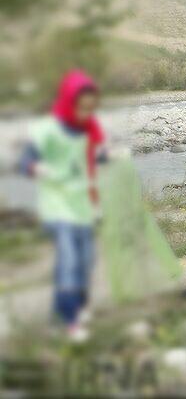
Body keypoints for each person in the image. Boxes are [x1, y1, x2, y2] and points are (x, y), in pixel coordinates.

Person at [19, 71, 105, 342]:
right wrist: (40, 168)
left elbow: (91, 162)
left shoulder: (88, 129)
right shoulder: (47, 129)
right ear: (69, 102)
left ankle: (66, 309)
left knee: (86, 261)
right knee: (68, 262)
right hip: (58, 209)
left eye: (91, 107)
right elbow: (25, 162)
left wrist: (107, 156)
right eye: (82, 106)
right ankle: (70, 321)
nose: (87, 112)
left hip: (83, 206)